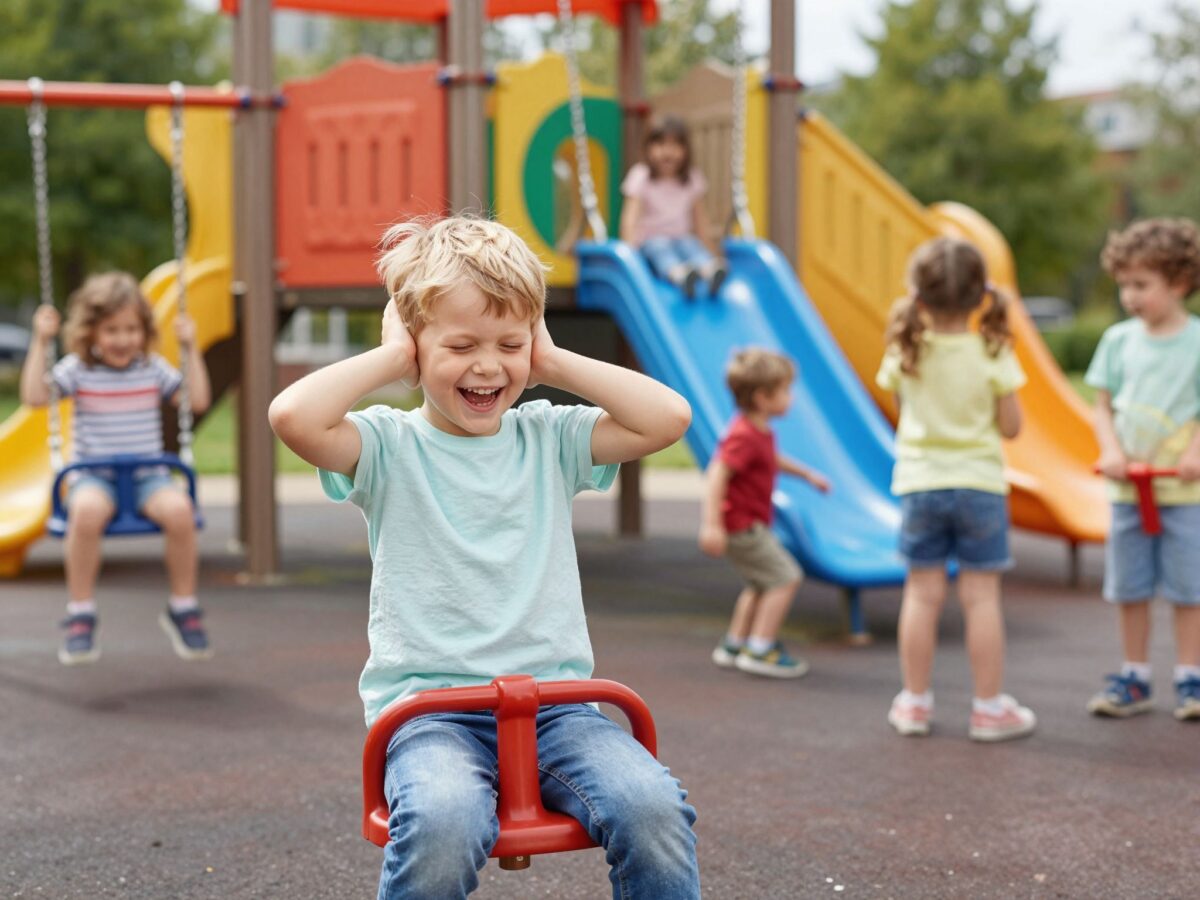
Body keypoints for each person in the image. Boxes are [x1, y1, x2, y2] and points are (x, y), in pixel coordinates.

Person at [269, 215, 701, 900]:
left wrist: (552, 361)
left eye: (510, 344)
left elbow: (669, 417)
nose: (488, 366)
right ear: (415, 345)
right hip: (432, 714)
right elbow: (293, 417)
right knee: (443, 822)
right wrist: (390, 356)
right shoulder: (387, 447)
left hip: (557, 709)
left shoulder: (549, 439)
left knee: (652, 807)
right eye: (461, 344)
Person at [875, 237, 1035, 742]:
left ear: (918, 296)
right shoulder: (992, 350)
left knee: (921, 595)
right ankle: (988, 709)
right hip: (979, 486)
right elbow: (1011, 427)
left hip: (921, 484)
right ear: (980, 295)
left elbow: (904, 410)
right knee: (981, 598)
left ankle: (914, 703)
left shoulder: (907, 348)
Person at [19, 272, 213, 665]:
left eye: (131, 329)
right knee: (86, 512)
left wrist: (191, 347)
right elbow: (35, 397)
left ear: (144, 331)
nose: (123, 339)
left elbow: (197, 401)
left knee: (180, 511)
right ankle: (81, 612)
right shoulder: (77, 369)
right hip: (95, 477)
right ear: (90, 332)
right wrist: (40, 341)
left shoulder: (153, 368)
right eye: (111, 330)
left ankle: (182, 606)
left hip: (148, 477)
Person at [1084, 217, 1200, 722]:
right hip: (1130, 491)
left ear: (1179, 282)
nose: (1129, 296)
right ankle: (1134, 676)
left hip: (1183, 493)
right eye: (1124, 285)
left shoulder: (1196, 342)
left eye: (1141, 284)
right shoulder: (1118, 341)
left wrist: (1195, 452)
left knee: (1189, 588)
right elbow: (1101, 405)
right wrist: (1111, 449)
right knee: (1129, 587)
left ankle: (1191, 676)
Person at [699, 348, 830, 678]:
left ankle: (735, 645)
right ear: (762, 397)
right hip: (741, 526)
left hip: (745, 524)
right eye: (785, 390)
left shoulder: (757, 430)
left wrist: (806, 474)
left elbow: (770, 459)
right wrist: (711, 524)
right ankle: (760, 649)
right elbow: (717, 473)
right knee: (786, 577)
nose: (791, 397)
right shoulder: (743, 434)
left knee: (760, 582)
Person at [618, 115, 728, 298]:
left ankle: (709, 270)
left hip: (681, 238)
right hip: (650, 241)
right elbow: (630, 218)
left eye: (676, 145)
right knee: (660, 249)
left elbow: (700, 221)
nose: (668, 152)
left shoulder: (691, 178)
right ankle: (679, 274)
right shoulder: (641, 176)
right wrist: (630, 254)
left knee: (691, 245)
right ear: (647, 148)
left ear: (686, 150)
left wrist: (714, 252)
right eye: (660, 144)